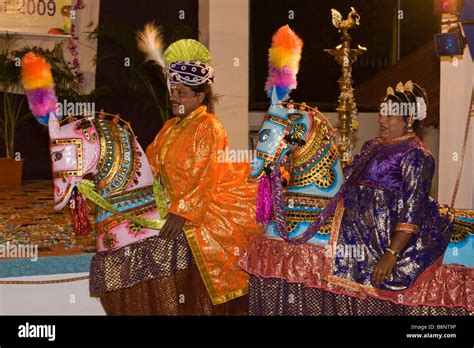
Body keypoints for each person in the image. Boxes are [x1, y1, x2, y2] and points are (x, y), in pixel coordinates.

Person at [240, 81, 470, 315]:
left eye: (391, 116)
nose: (382, 120)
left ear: (409, 120)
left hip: (385, 228)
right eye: (382, 113)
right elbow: (347, 178)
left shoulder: (417, 154)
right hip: (356, 220)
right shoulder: (374, 145)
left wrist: (391, 254)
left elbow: (414, 207)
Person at [139, 25, 260, 315]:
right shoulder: (170, 127)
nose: (174, 98)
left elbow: (204, 174)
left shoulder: (210, 127)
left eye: (181, 93)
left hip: (205, 209)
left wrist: (182, 212)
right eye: (172, 92)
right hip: (174, 205)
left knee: (206, 272)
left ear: (199, 98)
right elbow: (151, 162)